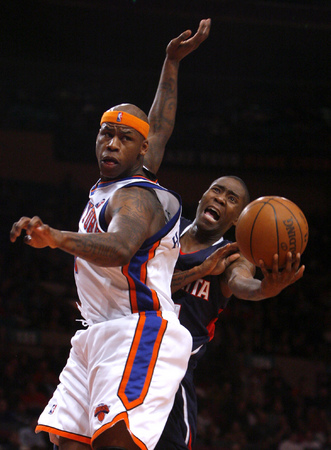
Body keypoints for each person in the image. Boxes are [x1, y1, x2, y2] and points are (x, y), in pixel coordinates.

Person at [142, 18, 305, 449]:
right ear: (203, 197)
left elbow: (243, 285)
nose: (222, 197)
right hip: (122, 348)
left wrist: (267, 287)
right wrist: (171, 62)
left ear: (238, 220)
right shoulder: (163, 226)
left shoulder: (233, 253)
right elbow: (155, 138)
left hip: (167, 373)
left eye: (233, 198)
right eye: (217, 189)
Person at [9, 104, 194, 450]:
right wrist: (171, 61)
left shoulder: (137, 196)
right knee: (68, 442)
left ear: (142, 149)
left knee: (114, 442)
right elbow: (159, 128)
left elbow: (122, 246)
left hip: (138, 327)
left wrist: (56, 238)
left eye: (124, 138)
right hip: (95, 332)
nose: (111, 144)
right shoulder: (110, 188)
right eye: (106, 134)